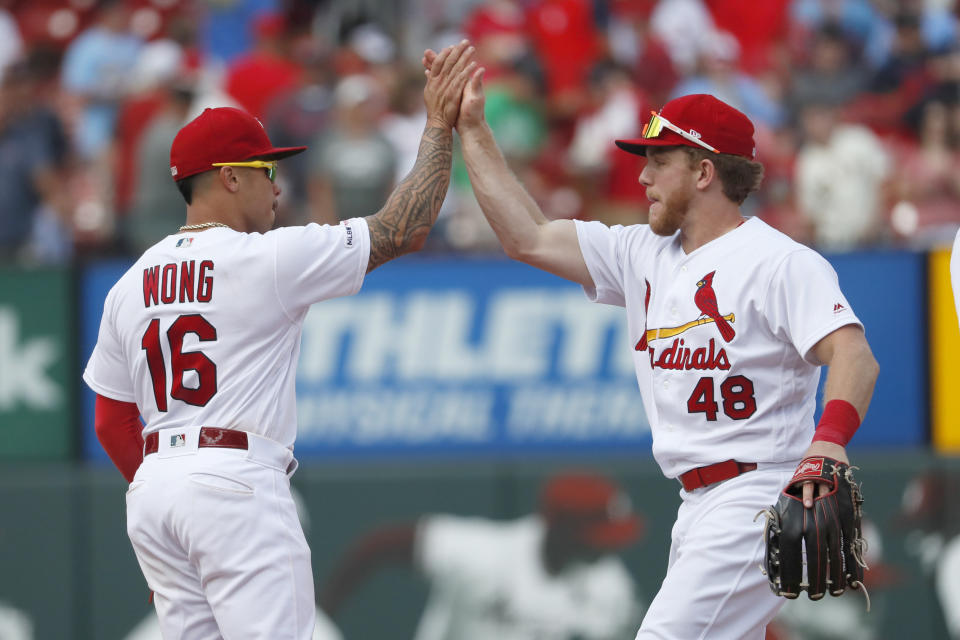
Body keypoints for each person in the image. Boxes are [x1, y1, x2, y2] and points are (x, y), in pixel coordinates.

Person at [426, 51, 879, 638]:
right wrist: (474, 131)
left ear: (704, 172)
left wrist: (829, 444)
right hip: (694, 507)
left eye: (658, 161)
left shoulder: (780, 264)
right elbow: (530, 238)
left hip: (755, 493)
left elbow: (853, 354)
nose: (641, 177)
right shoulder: (641, 252)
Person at [82, 40, 476, 639]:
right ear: (229, 177)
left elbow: (111, 422)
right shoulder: (264, 257)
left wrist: (166, 503)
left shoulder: (129, 283)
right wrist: (438, 126)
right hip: (235, 482)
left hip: (156, 493)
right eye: (267, 170)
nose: (278, 186)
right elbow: (404, 229)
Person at [319, 471, 644, 640]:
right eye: (597, 538)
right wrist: (322, 612)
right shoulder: (485, 554)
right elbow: (381, 543)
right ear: (562, 531)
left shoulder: (611, 587)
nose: (607, 548)